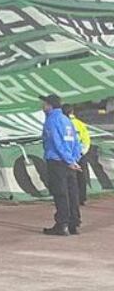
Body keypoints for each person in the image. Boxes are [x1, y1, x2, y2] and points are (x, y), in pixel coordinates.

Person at [41, 95, 82, 236]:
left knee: (60, 193)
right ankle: (73, 224)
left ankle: (62, 224)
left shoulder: (52, 120)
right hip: (70, 162)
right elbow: (76, 141)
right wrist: (74, 160)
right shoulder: (66, 120)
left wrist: (68, 160)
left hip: (57, 161)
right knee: (72, 193)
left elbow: (56, 142)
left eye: (44, 104)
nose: (42, 106)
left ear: (50, 105)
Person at [66, 105, 92, 206]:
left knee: (70, 178)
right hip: (80, 154)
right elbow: (86, 139)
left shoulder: (63, 123)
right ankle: (82, 198)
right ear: (72, 112)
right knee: (82, 177)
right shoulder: (80, 124)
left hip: (69, 154)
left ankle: (72, 199)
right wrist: (83, 152)